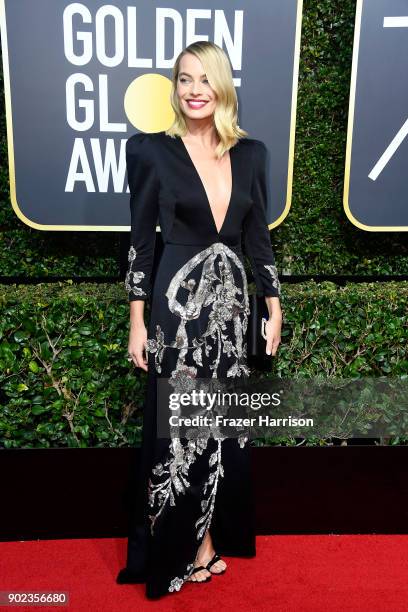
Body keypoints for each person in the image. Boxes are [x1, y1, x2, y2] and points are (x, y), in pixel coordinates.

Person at [116, 40, 282, 599]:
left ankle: (210, 534)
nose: (193, 90)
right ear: (175, 86)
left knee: (220, 428)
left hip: (233, 310)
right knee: (177, 430)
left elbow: (257, 238)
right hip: (176, 309)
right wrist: (138, 321)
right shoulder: (151, 152)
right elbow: (140, 242)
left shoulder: (252, 153)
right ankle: (183, 549)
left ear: (222, 86)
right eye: (184, 79)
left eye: (204, 79)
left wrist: (274, 305)